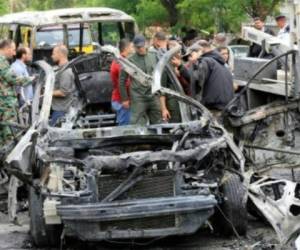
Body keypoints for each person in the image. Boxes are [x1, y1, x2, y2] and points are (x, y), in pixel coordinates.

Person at [119, 34, 162, 125]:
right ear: (134, 47)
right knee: (137, 125)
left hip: (153, 95)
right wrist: (125, 99)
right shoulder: (129, 61)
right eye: (138, 47)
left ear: (146, 44)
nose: (141, 49)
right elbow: (122, 81)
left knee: (158, 123)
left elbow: (160, 75)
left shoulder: (154, 56)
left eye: (142, 46)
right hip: (138, 97)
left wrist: (160, 93)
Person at [0, 39, 32, 146]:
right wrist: (31, 79)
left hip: (3, 105)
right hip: (5, 106)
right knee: (9, 136)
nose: (14, 53)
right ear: (7, 49)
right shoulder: (1, 61)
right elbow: (13, 79)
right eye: (13, 50)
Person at [191, 40, 234, 116]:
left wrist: (195, 62)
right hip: (225, 106)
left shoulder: (205, 61)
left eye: (194, 51)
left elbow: (198, 82)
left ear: (200, 50)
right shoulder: (221, 64)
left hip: (212, 108)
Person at [50, 44, 76, 126]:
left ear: (60, 54)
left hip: (61, 111)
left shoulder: (66, 72)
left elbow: (63, 92)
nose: (52, 56)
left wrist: (47, 93)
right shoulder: (60, 69)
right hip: (58, 109)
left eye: (53, 54)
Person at [110, 39, 133, 125]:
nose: (133, 49)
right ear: (126, 48)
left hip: (120, 99)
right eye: (131, 47)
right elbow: (125, 83)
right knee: (124, 128)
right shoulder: (120, 63)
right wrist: (125, 99)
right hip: (122, 101)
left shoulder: (121, 61)